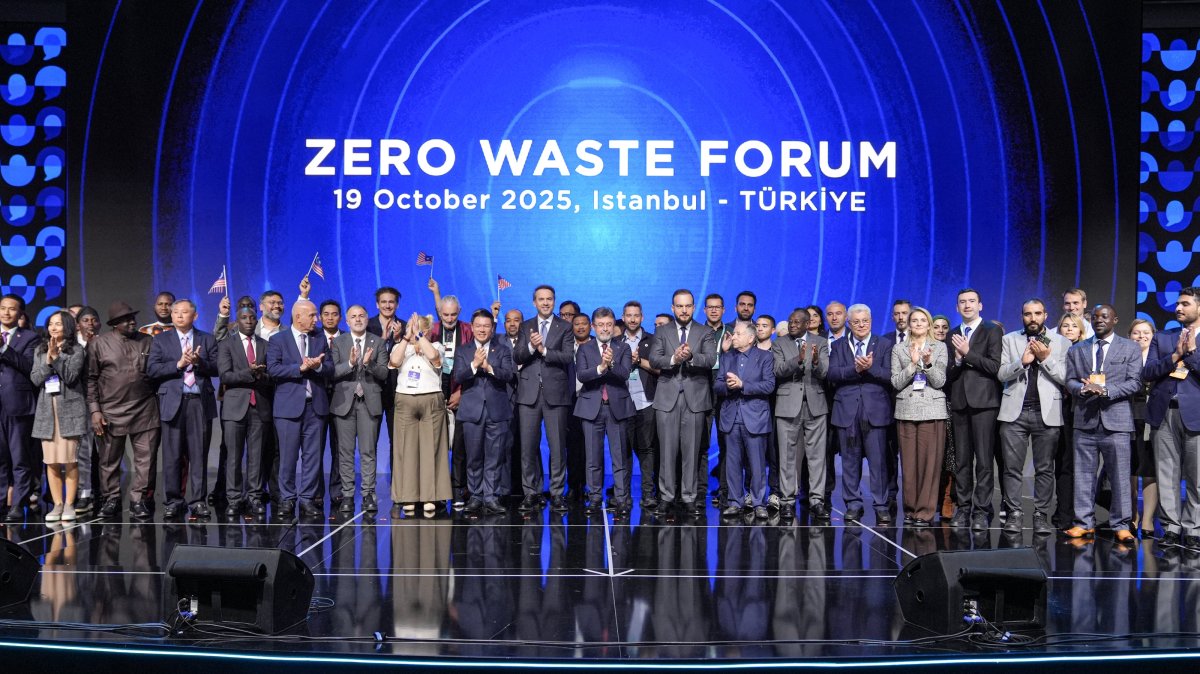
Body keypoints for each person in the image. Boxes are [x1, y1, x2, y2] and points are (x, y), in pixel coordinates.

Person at [1063, 304, 1141, 544]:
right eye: (1095, 317)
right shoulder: (1077, 349)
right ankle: (1083, 523)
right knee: (1083, 475)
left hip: (1116, 422)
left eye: (1105, 316)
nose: (1099, 320)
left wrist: (1105, 390)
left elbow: (1134, 382)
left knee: (1119, 476)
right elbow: (1070, 380)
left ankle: (1121, 525)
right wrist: (1082, 389)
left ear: (1115, 320)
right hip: (1085, 420)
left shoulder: (1130, 347)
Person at [996, 299, 1070, 535]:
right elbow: (1001, 374)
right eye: (1028, 314)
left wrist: (1046, 358)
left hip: (1046, 412)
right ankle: (1014, 513)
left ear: (1045, 315)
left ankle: (1041, 515)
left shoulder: (1062, 342)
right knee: (1011, 468)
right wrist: (1022, 362)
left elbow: (1065, 378)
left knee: (1045, 468)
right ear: (1022, 316)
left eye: (1037, 313)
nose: (1033, 318)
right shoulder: (1010, 339)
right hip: (1015, 412)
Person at [87, 300, 160, 519]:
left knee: (145, 459)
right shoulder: (99, 344)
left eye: (132, 318)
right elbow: (91, 379)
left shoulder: (147, 341)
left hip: (145, 408)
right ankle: (112, 498)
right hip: (111, 411)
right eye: (126, 320)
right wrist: (95, 411)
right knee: (109, 460)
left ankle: (139, 499)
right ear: (114, 324)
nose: (132, 322)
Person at [147, 299, 219, 519]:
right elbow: (152, 369)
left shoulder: (207, 339)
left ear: (194, 316)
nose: (179, 315)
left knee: (199, 454)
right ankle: (173, 501)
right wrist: (178, 365)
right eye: (175, 312)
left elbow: (218, 368)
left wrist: (199, 362)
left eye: (184, 312)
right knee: (172, 455)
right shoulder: (161, 340)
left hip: (198, 402)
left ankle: (198, 501)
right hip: (172, 402)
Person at [649, 289, 717, 516]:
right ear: (673, 308)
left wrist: (690, 357)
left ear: (694, 307)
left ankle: (689, 497)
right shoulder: (662, 331)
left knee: (692, 452)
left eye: (688, 306)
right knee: (667, 452)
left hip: (695, 399)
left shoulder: (705, 331)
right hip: (667, 398)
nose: (684, 310)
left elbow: (711, 359)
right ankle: (666, 497)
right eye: (680, 306)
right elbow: (654, 359)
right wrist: (673, 358)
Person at [1143, 287, 1200, 549]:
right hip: (1164, 412)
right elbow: (1148, 371)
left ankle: (1194, 528)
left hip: (1195, 413)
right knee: (1166, 473)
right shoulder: (1163, 337)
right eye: (1177, 304)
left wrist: (1192, 353)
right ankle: (1170, 528)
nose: (1178, 308)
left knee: (1197, 477)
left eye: (1185, 304)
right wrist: (1176, 355)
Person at [267, 299, 333, 520]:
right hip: (288, 409)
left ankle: (307, 499)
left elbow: (330, 367)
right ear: (298, 317)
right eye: (312, 315)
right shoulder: (278, 340)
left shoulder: (319, 338)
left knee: (313, 457)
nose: (317, 319)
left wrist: (319, 366)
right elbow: (273, 369)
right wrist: (300, 368)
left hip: (315, 408)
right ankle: (287, 499)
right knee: (287, 457)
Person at [827, 304, 893, 523]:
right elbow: (832, 373)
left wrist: (870, 368)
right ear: (849, 323)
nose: (861, 325)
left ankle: (881, 504)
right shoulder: (838, 345)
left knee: (878, 462)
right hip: (847, 410)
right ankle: (853, 503)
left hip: (875, 410)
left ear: (871, 321)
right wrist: (855, 369)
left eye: (865, 321)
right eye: (856, 322)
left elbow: (890, 375)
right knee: (849, 460)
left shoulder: (884, 344)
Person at [945, 288, 1003, 531]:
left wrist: (968, 354)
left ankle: (982, 510)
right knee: (962, 460)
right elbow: (947, 374)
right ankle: (964, 507)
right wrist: (958, 361)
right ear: (957, 307)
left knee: (984, 461)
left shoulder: (992, 330)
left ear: (980, 305)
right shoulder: (952, 334)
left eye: (971, 301)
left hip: (985, 403)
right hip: (959, 403)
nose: (967, 305)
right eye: (962, 302)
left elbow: (994, 366)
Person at [513, 285, 574, 513]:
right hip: (528, 394)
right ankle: (531, 493)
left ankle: (557, 493)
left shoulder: (565, 326)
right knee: (528, 448)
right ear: (534, 302)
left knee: (557, 447)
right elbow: (517, 356)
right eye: (541, 299)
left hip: (555, 395)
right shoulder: (525, 326)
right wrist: (531, 346)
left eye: (549, 299)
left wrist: (544, 350)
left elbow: (568, 356)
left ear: (554, 301)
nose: (546, 303)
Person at [453, 309, 516, 516]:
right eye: (478, 325)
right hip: (472, 411)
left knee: (494, 457)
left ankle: (491, 496)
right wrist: (474, 365)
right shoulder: (463, 350)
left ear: (492, 328)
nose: (482, 329)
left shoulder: (502, 350)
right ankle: (475, 496)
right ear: (472, 327)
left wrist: (488, 367)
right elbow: (458, 376)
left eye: (486, 326)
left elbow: (508, 375)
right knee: (473, 457)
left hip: (497, 411)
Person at [890, 307, 948, 527]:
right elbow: (896, 382)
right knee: (909, 464)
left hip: (932, 410)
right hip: (906, 409)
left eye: (923, 320)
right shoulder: (898, 348)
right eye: (914, 320)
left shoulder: (939, 347)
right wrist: (913, 364)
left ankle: (924, 511)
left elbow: (940, 381)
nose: (918, 323)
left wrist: (928, 363)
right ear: (909, 324)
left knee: (929, 464)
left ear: (929, 323)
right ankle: (910, 509)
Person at [390, 311, 452, 516]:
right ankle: (407, 496)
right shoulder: (401, 347)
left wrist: (419, 336)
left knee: (431, 448)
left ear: (427, 331)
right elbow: (394, 361)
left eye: (417, 328)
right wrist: (406, 338)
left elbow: (434, 358)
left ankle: (430, 496)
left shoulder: (436, 346)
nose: (412, 331)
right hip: (405, 400)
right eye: (410, 327)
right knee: (406, 448)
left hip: (431, 400)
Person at [573, 307, 635, 514]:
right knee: (593, 458)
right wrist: (601, 367)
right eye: (600, 325)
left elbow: (624, 374)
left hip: (617, 409)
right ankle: (594, 499)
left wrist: (612, 363)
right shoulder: (585, 349)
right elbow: (582, 375)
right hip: (592, 409)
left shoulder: (623, 347)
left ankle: (621, 500)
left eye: (609, 324)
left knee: (619, 458)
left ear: (614, 325)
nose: (605, 329)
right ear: (593, 326)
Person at [772, 308, 830, 519]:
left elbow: (824, 372)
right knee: (787, 456)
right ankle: (787, 501)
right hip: (788, 406)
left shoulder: (820, 342)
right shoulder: (779, 343)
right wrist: (799, 358)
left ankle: (817, 501)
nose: (792, 325)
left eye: (797, 322)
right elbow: (778, 371)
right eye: (790, 321)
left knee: (817, 457)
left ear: (807, 324)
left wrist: (814, 361)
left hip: (815, 405)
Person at [331, 305, 388, 514]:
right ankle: (347, 495)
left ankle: (368, 494)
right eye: (353, 316)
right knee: (345, 452)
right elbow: (332, 371)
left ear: (366, 319)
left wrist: (369, 364)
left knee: (368, 451)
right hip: (344, 403)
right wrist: (350, 363)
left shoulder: (378, 342)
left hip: (369, 403)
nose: (357, 319)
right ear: (347, 321)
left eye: (361, 316)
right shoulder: (338, 342)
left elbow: (384, 373)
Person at [715, 322, 776, 519]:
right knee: (732, 463)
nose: (733, 337)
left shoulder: (765, 357)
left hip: (755, 418)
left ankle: (759, 503)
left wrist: (742, 384)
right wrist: (728, 386)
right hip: (731, 418)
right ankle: (735, 502)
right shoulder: (727, 357)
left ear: (751, 338)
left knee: (757, 464)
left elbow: (769, 385)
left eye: (738, 334)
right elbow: (717, 385)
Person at [217, 305, 273, 516]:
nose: (249, 321)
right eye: (244, 318)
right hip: (234, 408)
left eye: (252, 318)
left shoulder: (266, 345)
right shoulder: (227, 345)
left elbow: (272, 377)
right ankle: (234, 499)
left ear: (256, 321)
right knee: (233, 456)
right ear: (237, 321)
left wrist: (261, 376)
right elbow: (225, 376)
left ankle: (254, 497)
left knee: (256, 456)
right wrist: (249, 373)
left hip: (259, 406)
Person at [30, 311, 86, 522]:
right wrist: (48, 360)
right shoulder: (40, 349)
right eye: (51, 324)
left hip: (70, 412)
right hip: (47, 412)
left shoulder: (76, 350)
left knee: (70, 461)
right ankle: (57, 504)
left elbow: (71, 377)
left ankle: (70, 504)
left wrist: (56, 358)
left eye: (59, 324)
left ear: (68, 327)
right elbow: (36, 379)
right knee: (51, 462)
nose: (53, 327)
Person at [0, 294, 39, 522]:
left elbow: (30, 367)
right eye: (2, 308)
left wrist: (5, 348)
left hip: (17, 405)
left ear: (20, 313)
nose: (6, 313)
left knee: (19, 457)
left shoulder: (30, 338)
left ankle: (19, 503)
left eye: (11, 309)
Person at [622, 301, 659, 509]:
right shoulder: (616, 341)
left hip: (647, 402)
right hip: (622, 404)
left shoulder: (653, 340)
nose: (633, 319)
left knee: (646, 449)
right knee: (624, 451)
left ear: (642, 317)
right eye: (629, 315)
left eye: (636, 315)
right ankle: (623, 495)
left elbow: (661, 368)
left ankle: (647, 494)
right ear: (623, 317)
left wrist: (639, 361)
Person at [1053, 312, 1087, 528]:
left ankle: (1080, 511)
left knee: (1079, 463)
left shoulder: (1086, 350)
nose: (1069, 329)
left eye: (1073, 326)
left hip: (1081, 410)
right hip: (1059, 409)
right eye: (1065, 326)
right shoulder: (1053, 350)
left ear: (1081, 330)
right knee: (1063, 462)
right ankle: (1063, 511)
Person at [1127, 318, 1158, 537]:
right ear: (1129, 336)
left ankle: (1147, 519)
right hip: (1127, 417)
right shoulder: (1124, 357)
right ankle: (1132, 516)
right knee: (1129, 470)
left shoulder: (1159, 359)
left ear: (1153, 336)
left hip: (1151, 418)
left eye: (1146, 332)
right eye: (1136, 333)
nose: (1141, 336)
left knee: (1149, 470)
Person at [72, 305, 101, 513]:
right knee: (82, 452)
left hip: (103, 403)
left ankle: (106, 493)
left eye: (94, 320)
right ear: (77, 325)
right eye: (85, 320)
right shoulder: (72, 346)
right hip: (79, 403)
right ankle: (84, 493)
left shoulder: (107, 342)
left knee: (104, 453)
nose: (90, 324)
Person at [931, 314, 955, 518]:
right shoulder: (925, 348)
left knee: (950, 455)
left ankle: (948, 498)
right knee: (932, 456)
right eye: (936, 326)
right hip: (928, 405)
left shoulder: (953, 349)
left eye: (944, 327)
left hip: (950, 406)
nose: (940, 330)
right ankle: (932, 499)